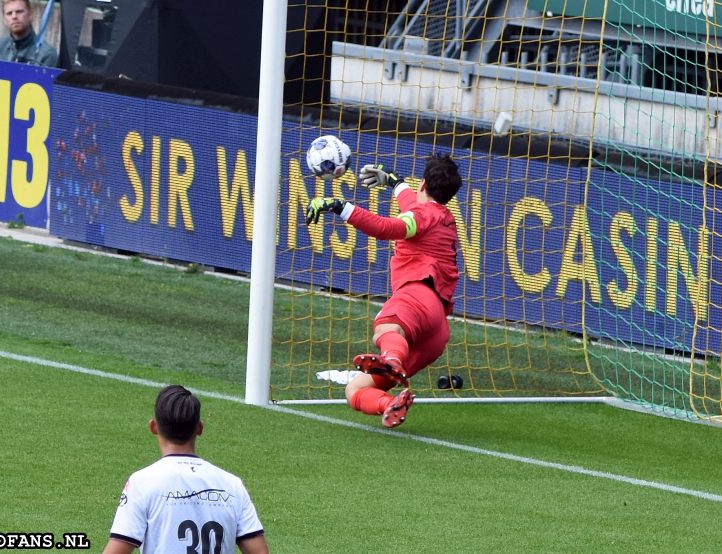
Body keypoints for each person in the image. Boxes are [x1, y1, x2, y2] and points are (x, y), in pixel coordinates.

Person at [305, 154, 463, 428]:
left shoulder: (422, 217)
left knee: (385, 326)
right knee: (354, 390)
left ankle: (390, 359)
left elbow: (388, 227)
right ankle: (389, 404)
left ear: (423, 183)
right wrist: (393, 181)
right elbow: (413, 206)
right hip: (436, 331)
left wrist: (340, 206)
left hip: (418, 297)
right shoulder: (444, 218)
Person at [103, 385, 269, 554]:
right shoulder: (232, 485)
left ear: (153, 427)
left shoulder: (142, 482)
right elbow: (260, 552)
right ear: (199, 428)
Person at [0, 0, 58, 67]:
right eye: (9, 13)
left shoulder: (47, 54)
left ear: (30, 15)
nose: (14, 16)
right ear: (4, 19)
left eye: (19, 12)